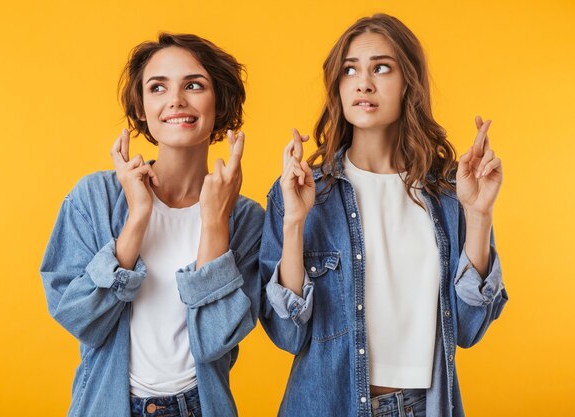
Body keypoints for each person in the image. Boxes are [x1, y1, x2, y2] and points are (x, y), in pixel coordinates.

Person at [259, 14, 507, 417]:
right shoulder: (304, 190)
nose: (364, 83)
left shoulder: (447, 193)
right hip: (326, 406)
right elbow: (287, 333)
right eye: (350, 70)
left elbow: (468, 329)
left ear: (409, 81)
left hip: (423, 407)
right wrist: (294, 222)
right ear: (337, 86)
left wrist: (478, 214)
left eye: (382, 68)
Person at [40, 33, 264, 417]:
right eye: (157, 87)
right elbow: (81, 320)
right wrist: (138, 217)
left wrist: (214, 223)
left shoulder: (244, 219)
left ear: (219, 103)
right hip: (107, 406)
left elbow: (215, 342)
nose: (176, 100)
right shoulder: (95, 198)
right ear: (141, 108)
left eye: (193, 85)